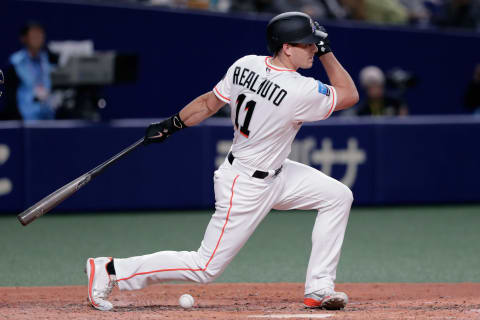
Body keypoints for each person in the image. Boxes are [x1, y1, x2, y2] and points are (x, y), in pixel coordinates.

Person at [86, 11, 359, 312]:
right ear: (287, 48)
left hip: (277, 174)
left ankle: (319, 288)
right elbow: (349, 94)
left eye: (314, 44)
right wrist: (327, 51)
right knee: (205, 266)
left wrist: (173, 123)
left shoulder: (245, 64)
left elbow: (207, 103)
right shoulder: (299, 90)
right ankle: (111, 270)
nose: (313, 48)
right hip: (246, 185)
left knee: (337, 196)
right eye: (307, 44)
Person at [2, 22, 55, 120]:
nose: (38, 38)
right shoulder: (16, 62)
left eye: (40, 34)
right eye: (34, 35)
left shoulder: (49, 60)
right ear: (24, 38)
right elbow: (10, 95)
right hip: (24, 117)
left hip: (48, 115)